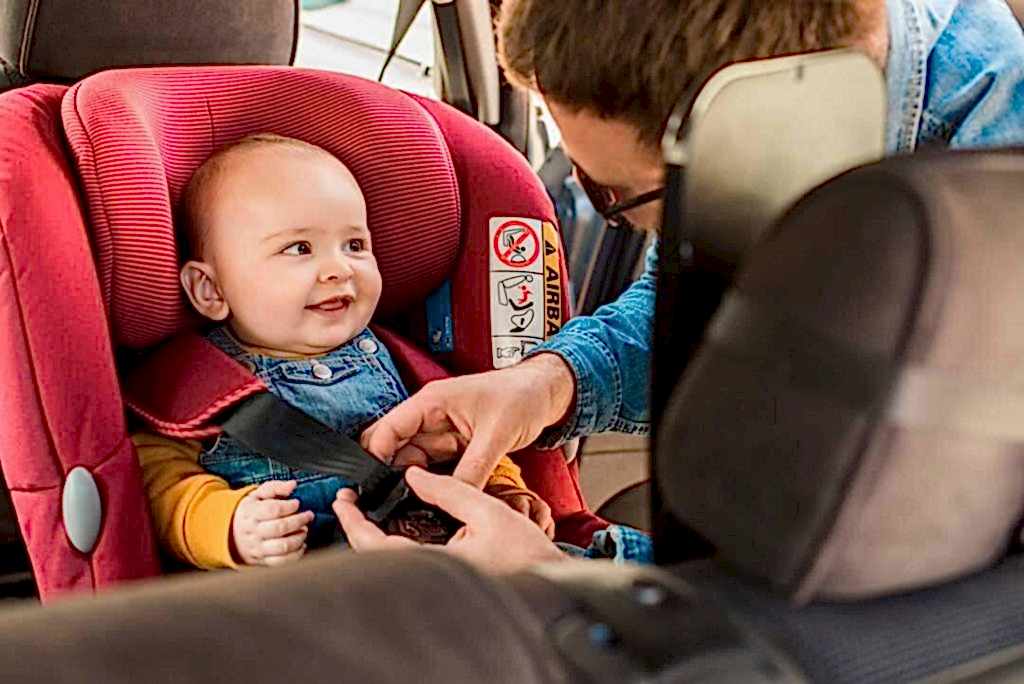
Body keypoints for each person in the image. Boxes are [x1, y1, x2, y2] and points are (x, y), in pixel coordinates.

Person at [335, 0, 1024, 571]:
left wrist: (557, 580)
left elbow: (910, 601)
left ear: (758, 134)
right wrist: (548, 384)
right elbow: (705, 288)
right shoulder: (777, 91)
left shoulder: (996, 217)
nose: (592, 201)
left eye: (615, 194)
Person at [132, 133, 553, 569]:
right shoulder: (196, 387)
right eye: (299, 249)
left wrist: (503, 492)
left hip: (440, 570)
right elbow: (160, 483)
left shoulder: (401, 361)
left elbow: (469, 437)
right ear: (211, 289)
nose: (339, 269)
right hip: (310, 595)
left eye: (355, 245)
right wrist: (231, 526)